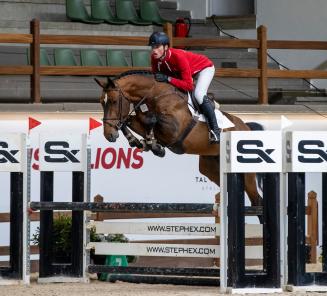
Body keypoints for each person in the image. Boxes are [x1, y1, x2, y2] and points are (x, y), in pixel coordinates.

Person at [148, 31, 220, 143]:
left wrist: (168, 79)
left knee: (198, 94)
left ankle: (215, 131)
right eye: (152, 47)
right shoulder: (154, 58)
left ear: (166, 47)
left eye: (157, 47)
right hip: (184, 73)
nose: (154, 50)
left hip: (204, 68)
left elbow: (188, 86)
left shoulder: (178, 57)